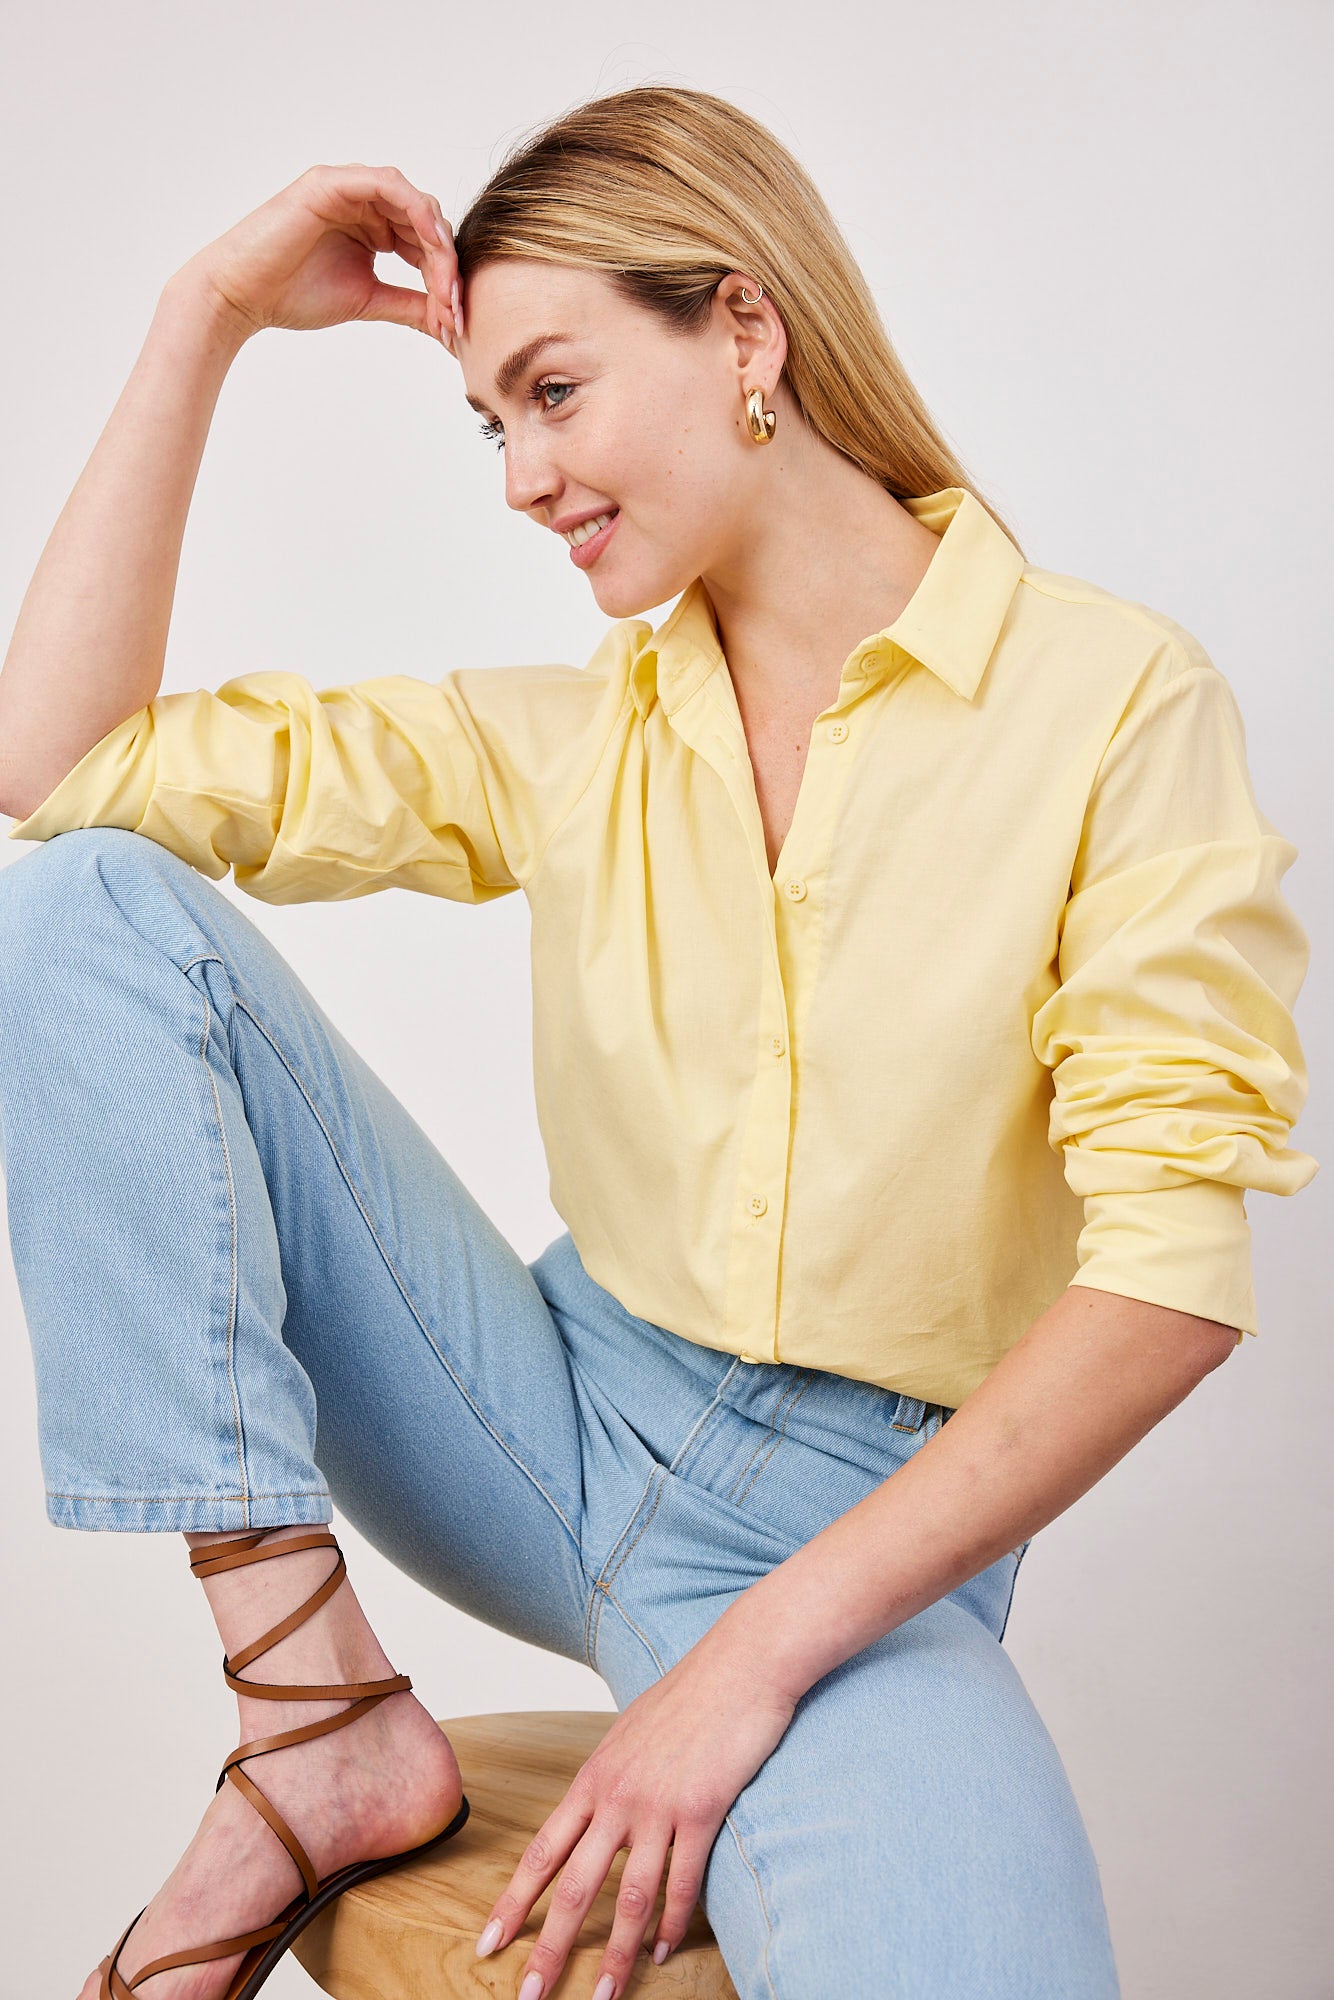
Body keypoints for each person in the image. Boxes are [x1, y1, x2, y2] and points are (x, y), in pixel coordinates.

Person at [0, 83, 1317, 2000]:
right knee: (80, 907)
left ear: (744, 330)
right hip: (528, 1419)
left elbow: (1168, 1284)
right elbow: (55, 777)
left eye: (552, 392)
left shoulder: (1113, 706)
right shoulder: (572, 733)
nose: (520, 477)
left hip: (863, 1540)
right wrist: (202, 314)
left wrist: (748, 1660)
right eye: (491, 424)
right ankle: (308, 1714)